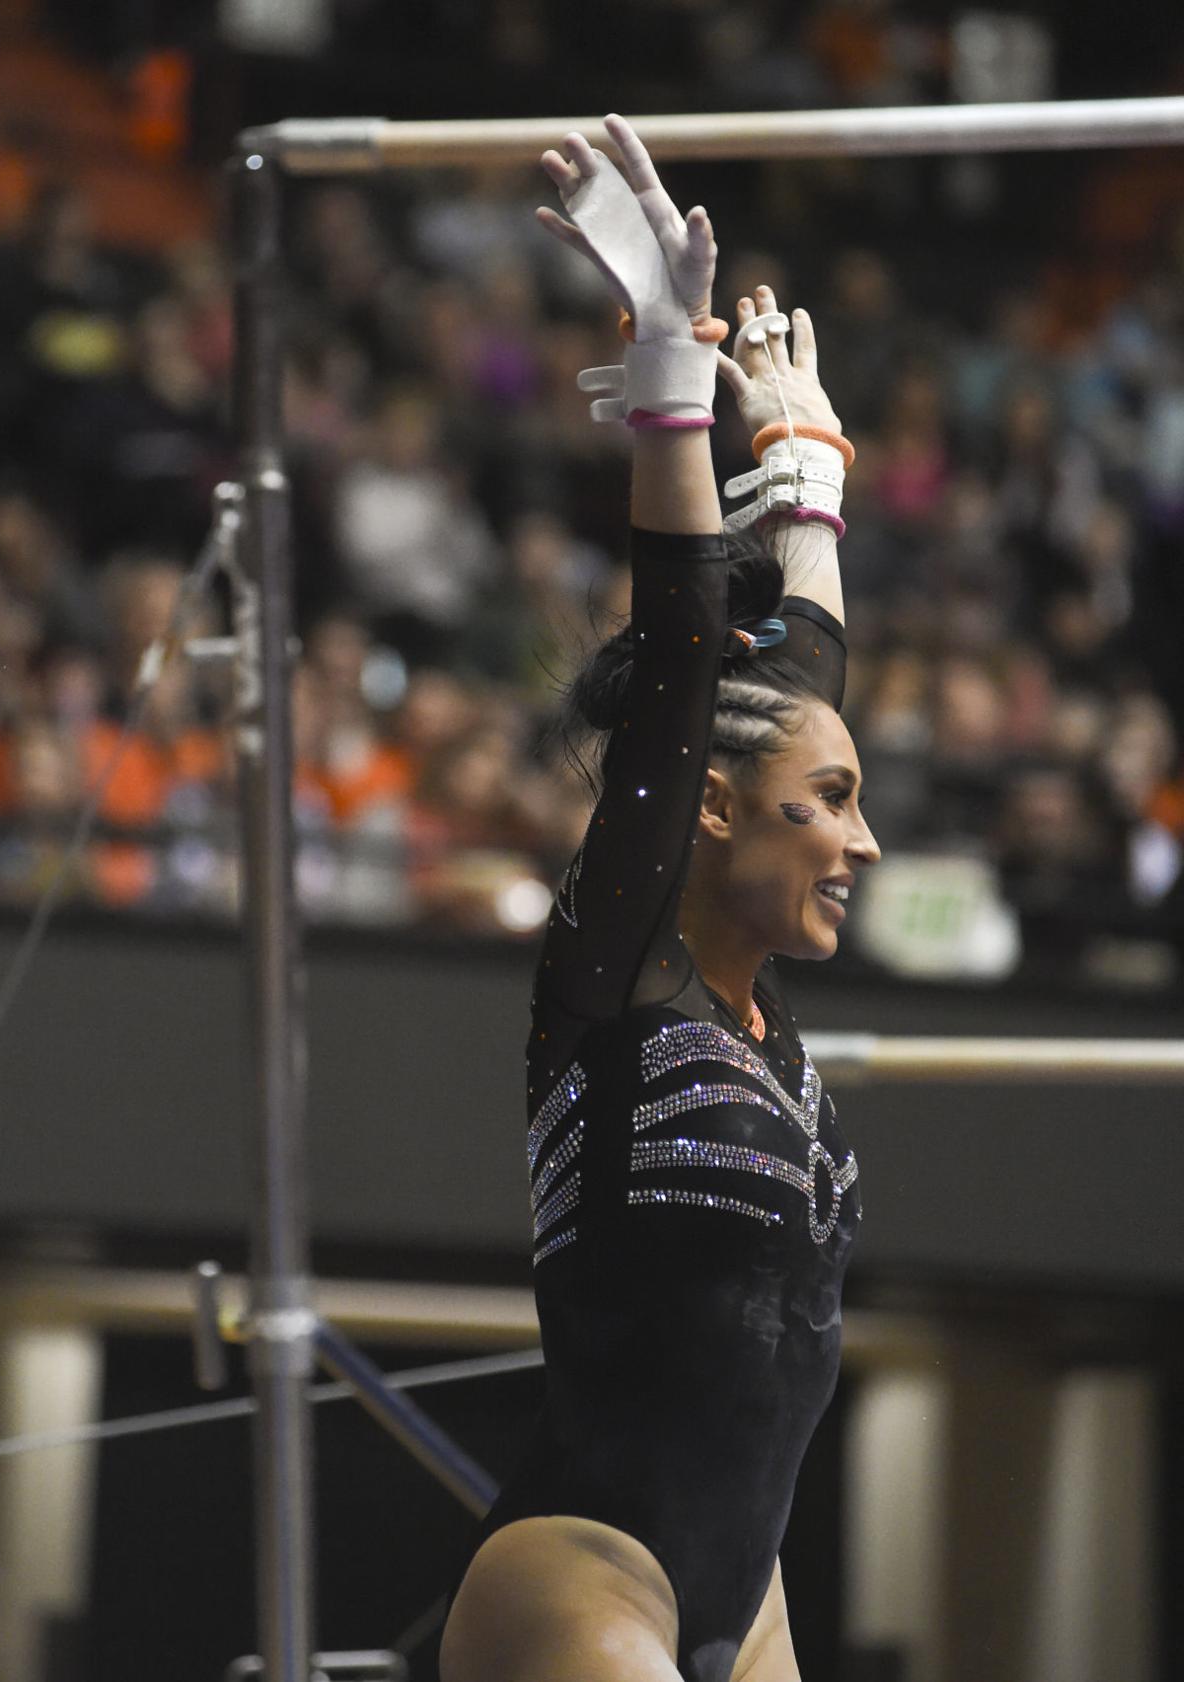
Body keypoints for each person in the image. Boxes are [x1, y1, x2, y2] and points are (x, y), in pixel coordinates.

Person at [440, 116, 879, 1682]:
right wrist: (670, 397)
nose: (863, 839)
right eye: (828, 807)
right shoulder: (617, 971)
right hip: (586, 1574)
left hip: (739, 1589)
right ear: (702, 805)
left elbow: (792, 696)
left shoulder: (760, 1015)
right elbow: (692, 657)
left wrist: (806, 473)